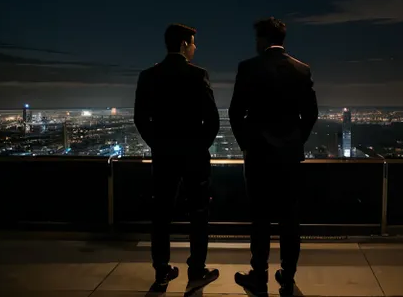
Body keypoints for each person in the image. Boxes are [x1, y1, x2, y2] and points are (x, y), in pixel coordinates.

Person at [229, 17, 318, 295]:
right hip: (289, 156)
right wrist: (295, 140)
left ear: (262, 40)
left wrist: (247, 143)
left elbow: (235, 113)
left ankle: (259, 274)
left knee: (260, 217)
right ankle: (288, 275)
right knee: (290, 218)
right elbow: (311, 114)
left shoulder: (248, 68)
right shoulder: (301, 70)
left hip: (258, 155)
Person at [134, 23, 220, 290]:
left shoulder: (148, 76)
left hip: (163, 156)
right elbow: (213, 120)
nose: (195, 48)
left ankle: (161, 271)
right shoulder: (198, 75)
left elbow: (140, 118)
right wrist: (198, 146)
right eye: (193, 43)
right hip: (194, 157)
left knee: (160, 215)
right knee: (198, 214)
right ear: (184, 44)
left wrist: (158, 144)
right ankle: (196, 270)